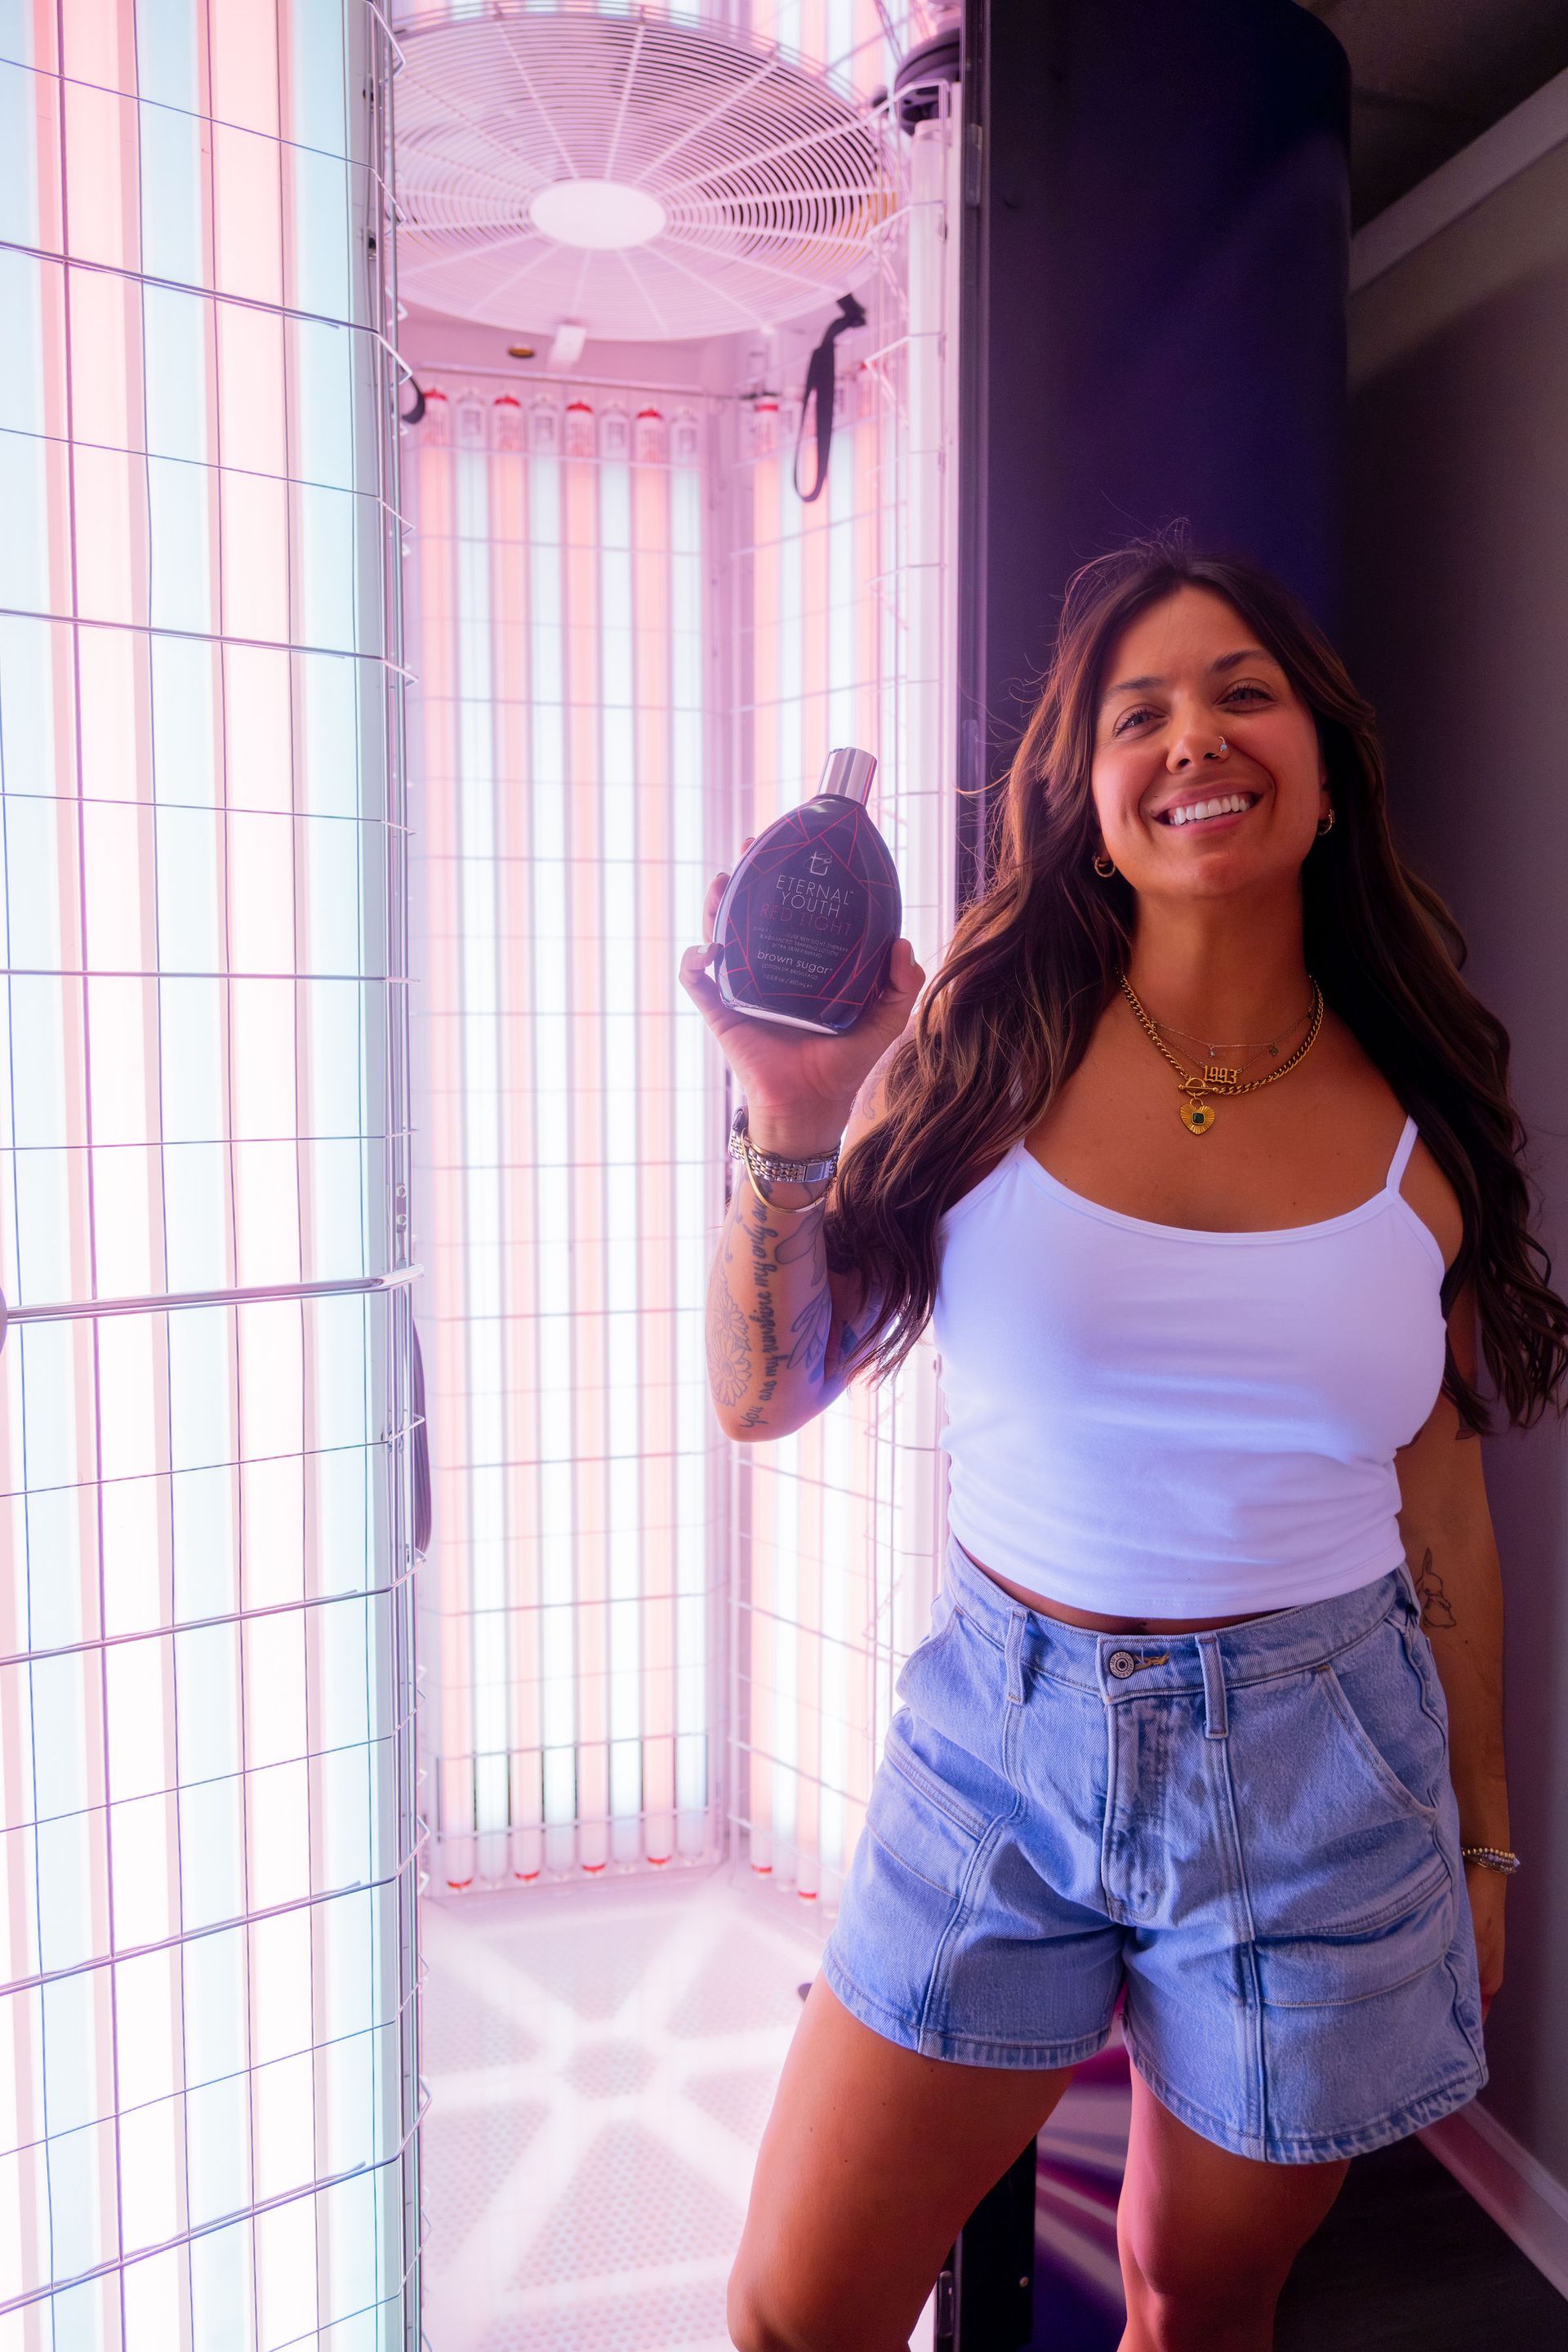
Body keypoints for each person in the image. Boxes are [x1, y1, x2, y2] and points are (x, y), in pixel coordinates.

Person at [679, 538, 1567, 2352]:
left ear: (1321, 771)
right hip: (999, 1750)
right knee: (794, 2316)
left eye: (1244, 690)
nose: (1195, 737)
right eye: (1137, 710)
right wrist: (789, 1118)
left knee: (1193, 2304)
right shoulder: (971, 1055)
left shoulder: (1422, 1139)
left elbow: (1446, 1505)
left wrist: (1484, 1838)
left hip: (1331, 1783)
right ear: (1086, 796)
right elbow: (767, 1391)